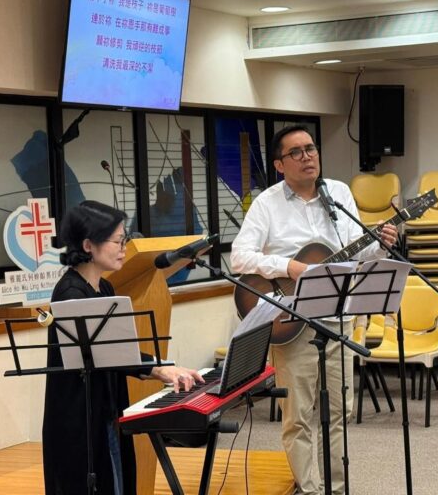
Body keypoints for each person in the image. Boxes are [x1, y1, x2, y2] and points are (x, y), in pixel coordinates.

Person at [231, 125, 397, 495]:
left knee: (339, 411)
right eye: (297, 152)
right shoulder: (267, 203)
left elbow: (356, 250)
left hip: (338, 316)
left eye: (311, 149)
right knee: (299, 414)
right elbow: (239, 257)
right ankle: (308, 488)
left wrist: (381, 243)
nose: (307, 157)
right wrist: (288, 267)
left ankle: (336, 488)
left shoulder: (338, 193)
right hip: (291, 320)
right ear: (279, 164)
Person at [42, 200, 203, 495]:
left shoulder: (104, 287)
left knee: (117, 477)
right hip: (79, 415)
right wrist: (159, 369)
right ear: (88, 245)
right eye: (117, 241)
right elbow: (107, 354)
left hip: (106, 407)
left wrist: (162, 366)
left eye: (124, 240)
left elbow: (118, 350)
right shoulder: (70, 292)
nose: (124, 248)